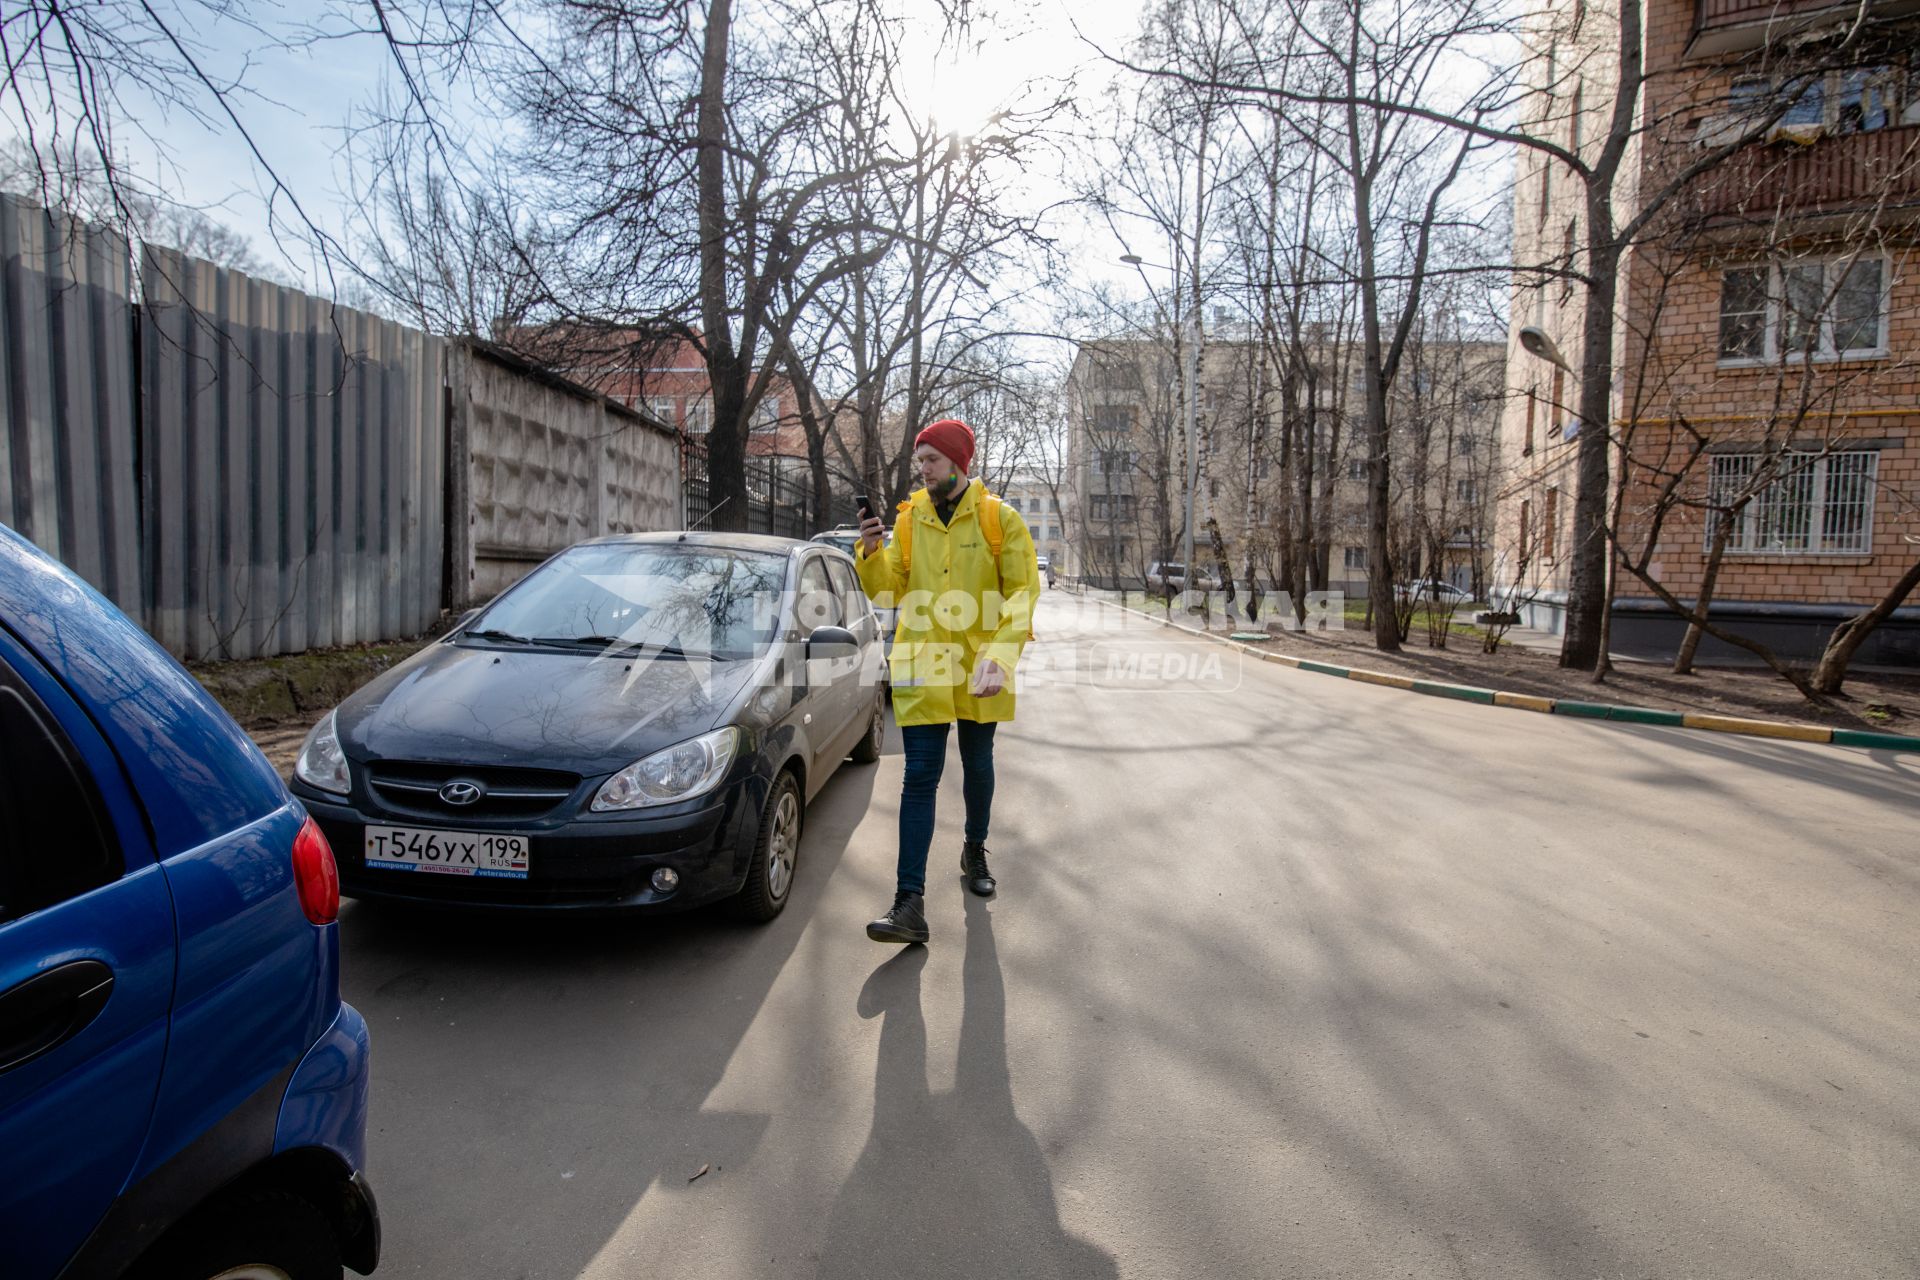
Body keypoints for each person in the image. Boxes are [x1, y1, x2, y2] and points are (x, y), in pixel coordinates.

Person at [854, 418, 1037, 945]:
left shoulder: (999, 519)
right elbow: (888, 589)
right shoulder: (910, 522)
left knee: (978, 767)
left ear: (958, 461)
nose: (924, 470)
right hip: (923, 666)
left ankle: (974, 847)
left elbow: (1023, 595)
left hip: (981, 668)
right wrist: (870, 553)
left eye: (931, 460)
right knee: (919, 778)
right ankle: (909, 903)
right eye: (921, 462)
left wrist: (1000, 659)